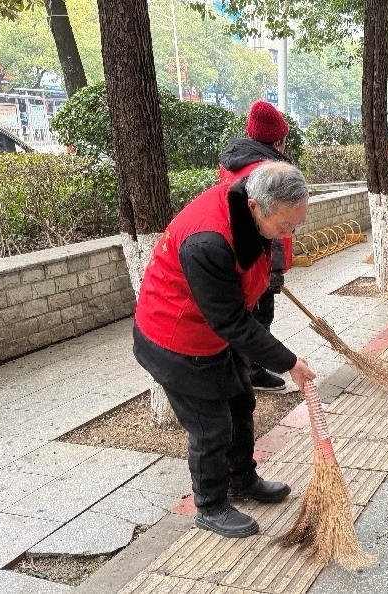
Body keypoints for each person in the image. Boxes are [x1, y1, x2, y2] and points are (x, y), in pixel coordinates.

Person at [133, 161, 317, 538]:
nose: (289, 233)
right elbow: (231, 321)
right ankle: (211, 505)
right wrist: (289, 363)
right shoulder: (209, 240)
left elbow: (238, 304)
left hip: (212, 331)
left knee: (240, 401)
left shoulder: (252, 207)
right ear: (255, 207)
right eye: (284, 226)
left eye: (295, 224)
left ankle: (242, 479)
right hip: (176, 337)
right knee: (211, 427)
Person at [218, 100, 294, 391]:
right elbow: (271, 222)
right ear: (278, 139)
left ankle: (244, 366)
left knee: (245, 311)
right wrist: (273, 268)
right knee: (260, 314)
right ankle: (253, 371)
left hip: (234, 250)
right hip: (255, 255)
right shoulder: (265, 170)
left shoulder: (233, 162)